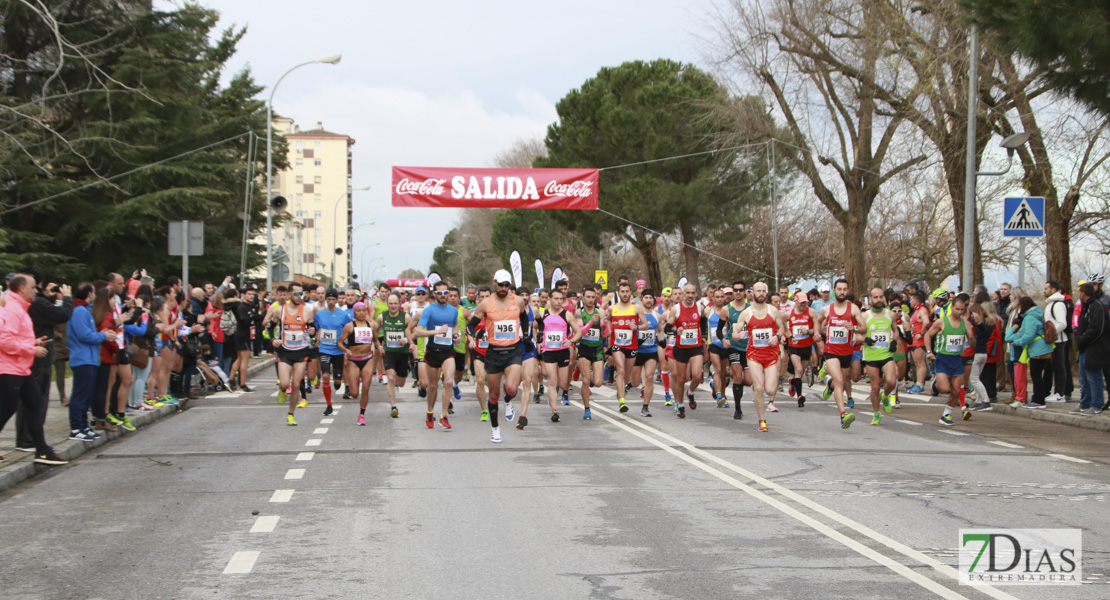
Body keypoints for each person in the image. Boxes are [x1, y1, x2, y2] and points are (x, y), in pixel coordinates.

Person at [0, 275, 68, 465]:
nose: (36, 291)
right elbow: (3, 341)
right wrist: (32, 349)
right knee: (7, 409)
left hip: (20, 368)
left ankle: (43, 451)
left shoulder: (19, 307)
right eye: (33, 288)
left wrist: (33, 342)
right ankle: (42, 450)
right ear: (22, 288)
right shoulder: (13, 309)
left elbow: (13, 337)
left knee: (35, 404)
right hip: (9, 368)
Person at [467, 270, 529, 442]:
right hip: (493, 352)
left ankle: (508, 401)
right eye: (500, 284)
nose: (503, 288)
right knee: (493, 395)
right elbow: (470, 326)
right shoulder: (485, 304)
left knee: (511, 388)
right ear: (494, 282)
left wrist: (525, 335)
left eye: (506, 285)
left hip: (513, 350)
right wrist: (475, 334)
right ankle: (495, 429)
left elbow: (523, 319)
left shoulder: (517, 301)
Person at [735, 282, 787, 432]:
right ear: (752, 293)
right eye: (758, 291)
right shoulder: (746, 313)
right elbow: (735, 332)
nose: (761, 293)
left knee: (770, 390)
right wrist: (738, 335)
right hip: (754, 355)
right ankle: (762, 421)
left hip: (771, 355)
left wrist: (777, 336)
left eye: (764, 291)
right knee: (759, 387)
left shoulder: (773, 311)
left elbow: (782, 327)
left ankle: (759, 388)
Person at [263, 282, 316, 425]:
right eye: (297, 294)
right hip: (285, 351)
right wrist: (273, 340)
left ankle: (291, 414)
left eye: (301, 294)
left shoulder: (307, 311)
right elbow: (269, 328)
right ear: (289, 295)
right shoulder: (279, 311)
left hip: (301, 350)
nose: (299, 297)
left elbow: (312, 331)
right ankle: (281, 390)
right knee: (284, 383)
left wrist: (312, 334)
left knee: (296, 384)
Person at [815, 278, 863, 429]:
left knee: (843, 380)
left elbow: (864, 329)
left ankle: (830, 386)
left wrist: (853, 328)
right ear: (834, 291)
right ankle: (843, 415)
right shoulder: (827, 309)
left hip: (847, 351)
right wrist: (817, 333)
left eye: (844, 289)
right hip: (831, 351)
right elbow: (818, 321)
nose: (842, 292)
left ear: (847, 291)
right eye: (839, 289)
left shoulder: (854, 309)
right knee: (840, 381)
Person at [413, 280, 460, 430]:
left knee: (448, 382)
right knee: (432, 386)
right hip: (433, 350)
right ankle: (429, 411)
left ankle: (443, 416)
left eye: (445, 293)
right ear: (434, 294)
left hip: (448, 351)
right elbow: (418, 331)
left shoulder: (453, 310)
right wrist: (436, 332)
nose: (443, 295)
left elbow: (455, 326)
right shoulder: (429, 310)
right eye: (439, 293)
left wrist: (456, 336)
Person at [925, 293, 975, 426]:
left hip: (957, 359)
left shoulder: (966, 324)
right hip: (942, 358)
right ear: (952, 307)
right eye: (957, 309)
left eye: (962, 310)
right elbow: (928, 335)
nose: (959, 312)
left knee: (957, 390)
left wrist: (971, 337)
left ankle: (946, 414)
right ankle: (938, 381)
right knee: (943, 389)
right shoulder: (941, 321)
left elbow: (973, 344)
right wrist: (929, 351)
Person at [535, 288, 583, 421]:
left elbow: (578, 332)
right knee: (552, 380)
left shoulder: (567, 315)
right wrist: (539, 341)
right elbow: (535, 327)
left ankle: (554, 397)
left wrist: (571, 340)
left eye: (561, 299)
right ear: (549, 299)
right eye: (556, 299)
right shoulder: (544, 314)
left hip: (563, 352)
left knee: (562, 384)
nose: (559, 301)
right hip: (548, 351)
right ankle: (554, 410)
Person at [1005, 296, 1054, 408]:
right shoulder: (1038, 314)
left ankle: (1038, 400)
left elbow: (1028, 336)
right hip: (1044, 348)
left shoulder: (1029, 318)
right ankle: (1039, 398)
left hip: (1037, 350)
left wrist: (1017, 341)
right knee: (1038, 375)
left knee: (1036, 375)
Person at [606, 281, 648, 414]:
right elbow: (608, 321)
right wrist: (608, 330)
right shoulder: (613, 308)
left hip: (632, 345)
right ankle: (622, 401)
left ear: (631, 293)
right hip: (617, 344)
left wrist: (637, 327)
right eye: (622, 292)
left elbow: (645, 325)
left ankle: (621, 391)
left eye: (627, 292)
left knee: (627, 375)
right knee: (621, 370)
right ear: (618, 293)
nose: (624, 294)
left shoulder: (636, 308)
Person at [666, 282, 706, 419]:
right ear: (683, 293)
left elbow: (704, 321)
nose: (690, 296)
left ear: (696, 294)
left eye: (692, 293)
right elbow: (667, 329)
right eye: (687, 293)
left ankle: (691, 391)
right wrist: (676, 331)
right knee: (681, 378)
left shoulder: (699, 308)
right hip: (681, 348)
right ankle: (681, 405)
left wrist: (705, 336)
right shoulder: (676, 309)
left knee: (696, 375)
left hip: (696, 346)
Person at [336, 302, 378, 425]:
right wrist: (346, 350)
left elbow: (375, 340)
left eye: (363, 310)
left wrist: (379, 347)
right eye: (358, 310)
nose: (361, 313)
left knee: (366, 388)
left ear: (367, 312)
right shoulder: (349, 326)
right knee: (354, 394)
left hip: (368, 359)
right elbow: (339, 343)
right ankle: (355, 381)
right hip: (353, 360)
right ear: (354, 312)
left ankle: (361, 415)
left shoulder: (371, 325)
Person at [314, 288, 354, 416]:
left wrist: (346, 343)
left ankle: (338, 384)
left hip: (338, 351)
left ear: (337, 300)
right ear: (326, 300)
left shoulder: (343, 315)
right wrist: (315, 337)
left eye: (333, 299)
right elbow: (315, 328)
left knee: (337, 380)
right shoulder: (319, 315)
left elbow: (350, 330)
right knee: (326, 375)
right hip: (324, 349)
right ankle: (329, 404)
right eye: (329, 299)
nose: (331, 302)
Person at [861, 288, 897, 425]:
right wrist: (865, 339)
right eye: (875, 297)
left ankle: (886, 395)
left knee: (892, 381)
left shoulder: (890, 314)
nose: (879, 300)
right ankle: (876, 413)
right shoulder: (865, 316)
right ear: (870, 299)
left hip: (886, 353)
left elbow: (896, 331)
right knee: (875, 387)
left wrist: (895, 341)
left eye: (881, 297)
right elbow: (857, 335)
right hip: (871, 355)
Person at [1074, 281, 1108, 414]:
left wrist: (1082, 340)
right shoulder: (1085, 306)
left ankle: (1096, 404)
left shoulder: (1096, 306)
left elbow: (1096, 329)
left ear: (1083, 293)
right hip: (1084, 348)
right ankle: (1085, 404)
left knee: (1094, 377)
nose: (1078, 294)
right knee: (1083, 378)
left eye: (1079, 291)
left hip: (1095, 348)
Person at [574, 284, 607, 420]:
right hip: (584, 348)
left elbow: (605, 333)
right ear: (583, 297)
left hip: (597, 349)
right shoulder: (579, 312)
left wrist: (604, 324)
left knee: (598, 382)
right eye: (588, 297)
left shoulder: (600, 311)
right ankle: (587, 409)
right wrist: (590, 323)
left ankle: (583, 371)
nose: (590, 300)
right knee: (586, 381)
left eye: (593, 297)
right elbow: (580, 332)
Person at [376, 293, 410, 418]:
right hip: (388, 352)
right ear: (387, 304)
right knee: (390, 377)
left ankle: (400, 376)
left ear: (399, 304)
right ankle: (393, 406)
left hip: (402, 352)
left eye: (395, 303)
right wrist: (379, 346)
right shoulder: (382, 317)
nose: (393, 306)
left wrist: (406, 340)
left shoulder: (405, 317)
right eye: (390, 303)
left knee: (400, 383)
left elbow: (413, 331)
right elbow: (375, 330)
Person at [966, 296, 999, 411]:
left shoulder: (978, 325)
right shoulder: (990, 322)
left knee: (974, 379)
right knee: (978, 378)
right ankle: (979, 401)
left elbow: (975, 336)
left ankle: (986, 401)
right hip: (984, 353)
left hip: (976, 353)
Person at [1043, 281, 1073, 402]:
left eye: (1046, 288)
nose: (1044, 290)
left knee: (1060, 366)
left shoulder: (1058, 304)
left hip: (1059, 341)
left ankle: (1060, 393)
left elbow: (1062, 323)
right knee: (1055, 366)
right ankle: (1056, 392)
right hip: (1054, 340)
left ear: (1053, 289)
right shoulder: (1051, 303)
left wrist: (1051, 333)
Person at [784, 291, 816, 406]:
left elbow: (816, 330)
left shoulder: (812, 313)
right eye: (801, 302)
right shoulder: (789, 314)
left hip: (806, 346)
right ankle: (800, 397)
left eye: (805, 303)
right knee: (798, 370)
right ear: (795, 301)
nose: (803, 305)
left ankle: (793, 381)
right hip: (794, 346)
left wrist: (808, 331)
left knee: (800, 373)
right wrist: (790, 337)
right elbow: (783, 327)